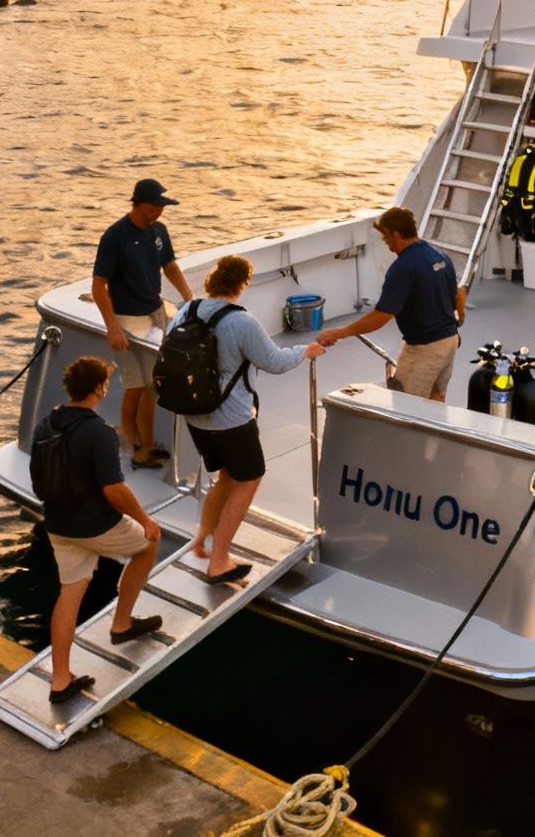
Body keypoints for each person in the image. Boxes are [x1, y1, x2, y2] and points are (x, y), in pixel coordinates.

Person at [168, 256, 324, 583]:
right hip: (231, 418)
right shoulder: (242, 322)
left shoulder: (186, 310)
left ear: (212, 279)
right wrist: (304, 351)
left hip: (195, 416)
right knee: (250, 478)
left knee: (226, 476)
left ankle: (201, 542)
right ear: (243, 283)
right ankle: (219, 561)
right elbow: (274, 362)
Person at [31, 356, 165, 704]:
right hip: (94, 524)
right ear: (100, 389)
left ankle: (60, 680)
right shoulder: (99, 433)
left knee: (69, 595)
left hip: (58, 524)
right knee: (147, 545)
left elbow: (36, 479)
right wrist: (145, 520)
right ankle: (121, 624)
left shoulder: (46, 424)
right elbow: (113, 490)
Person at [93, 178, 193, 468]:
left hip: (155, 313)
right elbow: (99, 285)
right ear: (143, 204)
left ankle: (146, 445)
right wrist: (111, 326)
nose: (161, 212)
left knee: (151, 384)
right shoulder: (114, 237)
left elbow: (170, 265)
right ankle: (132, 448)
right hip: (127, 320)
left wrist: (188, 297)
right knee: (135, 385)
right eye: (158, 206)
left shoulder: (159, 231)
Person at [316, 206, 464, 402]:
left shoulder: (403, 267)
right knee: (435, 398)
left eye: (385, 236)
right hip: (450, 341)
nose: (385, 242)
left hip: (426, 348)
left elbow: (381, 316)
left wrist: (339, 333)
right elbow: (459, 295)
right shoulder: (440, 255)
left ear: (395, 233)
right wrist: (457, 322)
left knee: (407, 406)